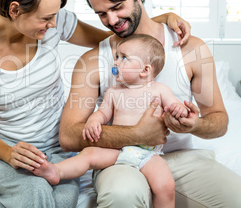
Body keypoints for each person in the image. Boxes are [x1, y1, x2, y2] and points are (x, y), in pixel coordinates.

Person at [0, 0, 190, 208]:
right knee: (35, 191)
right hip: (4, 150)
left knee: (64, 200)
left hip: (54, 150)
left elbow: (113, 36)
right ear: (15, 10)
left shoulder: (54, 23)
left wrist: (161, 19)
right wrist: (10, 154)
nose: (53, 25)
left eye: (55, 16)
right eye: (46, 18)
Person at [59, 0, 241, 208]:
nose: (111, 21)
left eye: (117, 8)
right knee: (121, 196)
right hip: (120, 160)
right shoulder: (93, 60)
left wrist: (194, 126)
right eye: (101, 13)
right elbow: (69, 136)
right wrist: (134, 134)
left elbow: (219, 121)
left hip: (182, 161)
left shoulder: (191, 50)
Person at [33, 34, 189, 208]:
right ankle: (57, 171)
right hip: (117, 149)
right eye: (116, 57)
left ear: (145, 70)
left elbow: (174, 106)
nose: (115, 62)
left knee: (166, 186)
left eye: (124, 58)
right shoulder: (114, 92)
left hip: (147, 154)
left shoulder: (160, 90)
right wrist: (93, 120)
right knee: (88, 155)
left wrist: (179, 109)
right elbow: (103, 113)